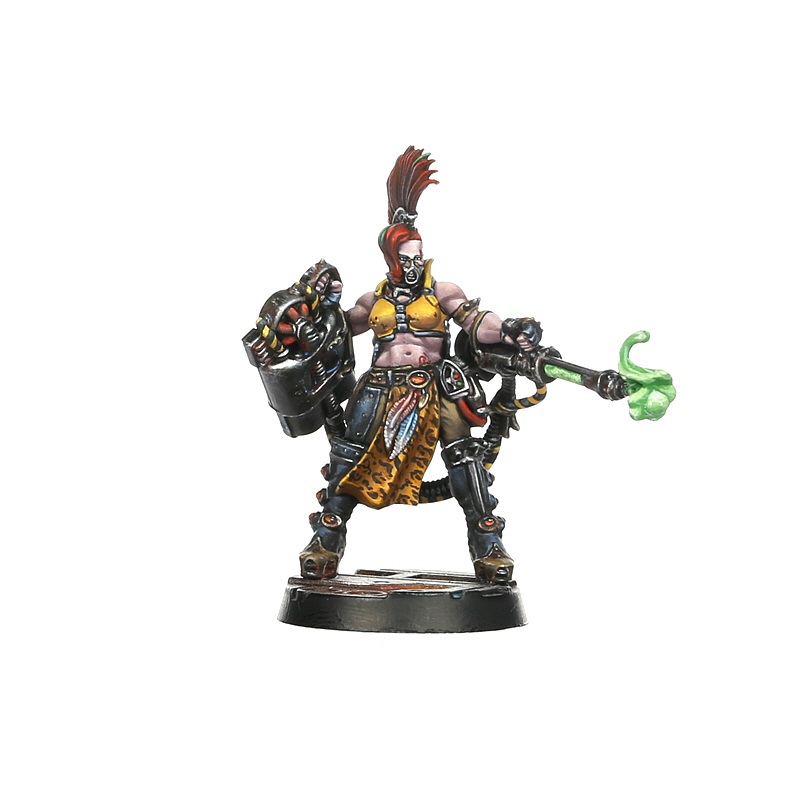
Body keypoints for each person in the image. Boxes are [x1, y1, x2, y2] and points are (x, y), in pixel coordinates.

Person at [295, 147, 541, 584]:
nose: (412, 264)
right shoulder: (372, 301)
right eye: (404, 258)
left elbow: (475, 321)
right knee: (348, 459)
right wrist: (309, 310)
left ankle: (488, 546)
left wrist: (508, 330)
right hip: (379, 389)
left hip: (437, 387)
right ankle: (325, 541)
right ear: (390, 258)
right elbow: (336, 331)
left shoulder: (441, 291)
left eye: (417, 256)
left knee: (465, 460)